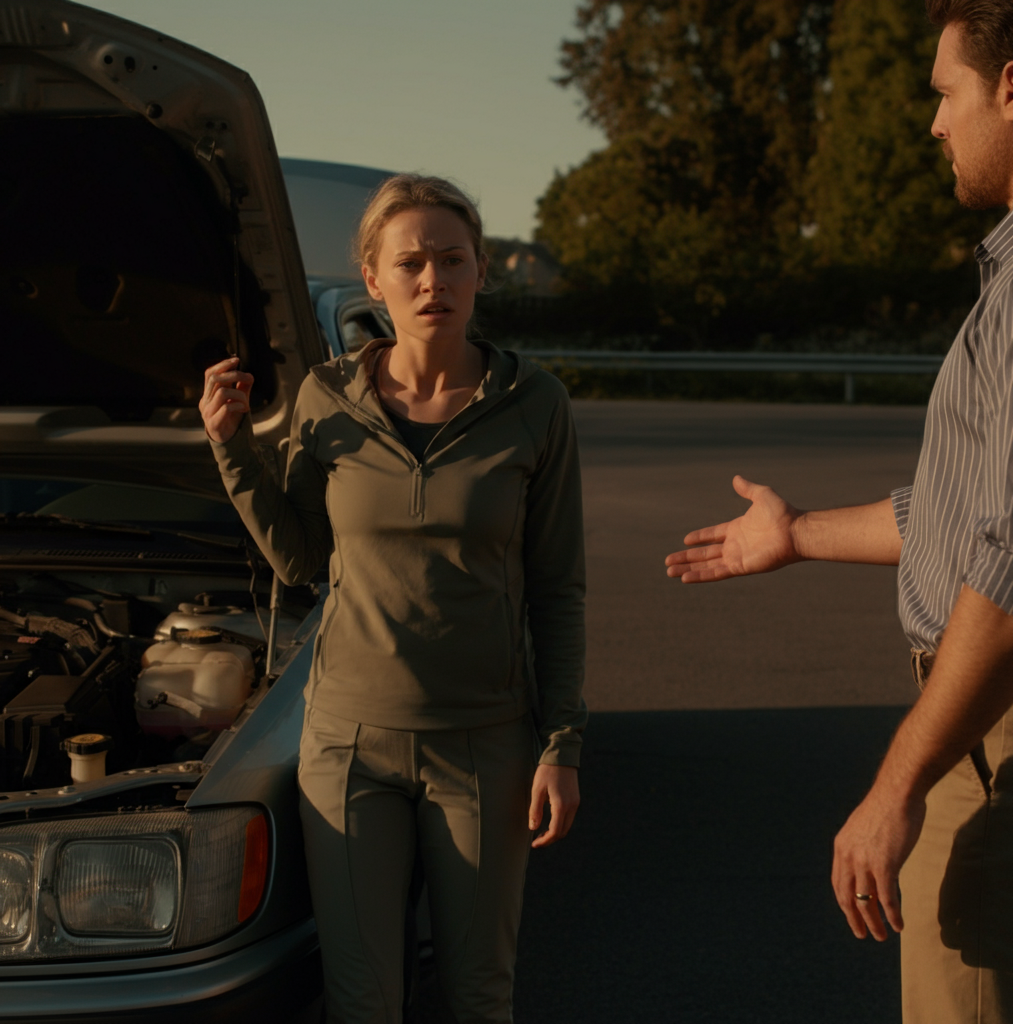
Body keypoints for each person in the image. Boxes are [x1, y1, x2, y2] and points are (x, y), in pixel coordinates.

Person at [666, 6, 1013, 1022]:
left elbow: (1004, 558)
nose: (933, 125)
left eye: (945, 94)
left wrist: (898, 781)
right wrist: (799, 534)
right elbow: (963, 513)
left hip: (989, 732)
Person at [199, 174, 586, 1023]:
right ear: (373, 280)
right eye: (410, 262)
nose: (432, 280)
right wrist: (234, 453)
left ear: (483, 270)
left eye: (452, 260)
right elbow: (301, 560)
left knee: (480, 996)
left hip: (484, 744)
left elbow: (559, 590)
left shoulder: (535, 405)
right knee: (363, 999)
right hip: (347, 748)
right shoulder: (325, 399)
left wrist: (560, 742)